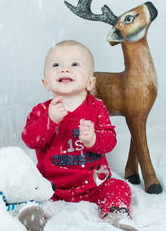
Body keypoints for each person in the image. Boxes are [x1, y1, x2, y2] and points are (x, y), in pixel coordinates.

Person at [20, 40, 138, 231]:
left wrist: (93, 140)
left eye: (74, 64)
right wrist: (49, 120)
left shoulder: (97, 108)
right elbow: (30, 140)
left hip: (93, 185)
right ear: (46, 83)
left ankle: (115, 214)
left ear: (90, 82)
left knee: (119, 187)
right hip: (50, 185)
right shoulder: (42, 111)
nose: (64, 70)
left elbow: (110, 141)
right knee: (26, 185)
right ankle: (32, 214)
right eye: (56, 65)